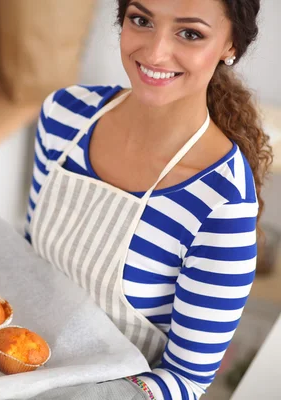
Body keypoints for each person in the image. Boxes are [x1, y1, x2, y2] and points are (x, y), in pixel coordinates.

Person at [25, 0, 272, 399]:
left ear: (231, 46)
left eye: (190, 33)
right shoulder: (64, 116)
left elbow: (186, 379)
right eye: (141, 20)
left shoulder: (222, 201)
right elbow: (25, 264)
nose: (156, 53)